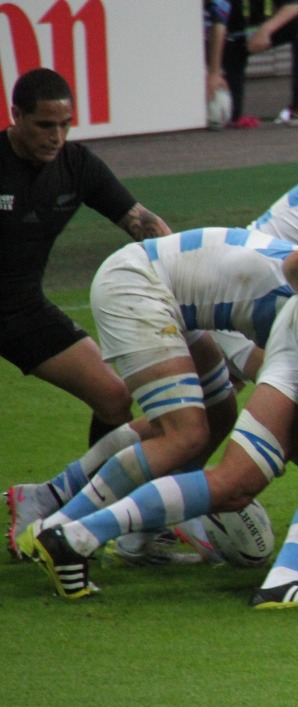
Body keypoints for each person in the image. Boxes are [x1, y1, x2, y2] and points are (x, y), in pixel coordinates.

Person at [16, 227, 298, 596]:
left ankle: (120, 531)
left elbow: (291, 405)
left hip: (164, 290)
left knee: (217, 414)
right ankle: (59, 528)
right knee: (182, 433)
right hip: (139, 285)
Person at [0, 68, 171, 461]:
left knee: (114, 398)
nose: (56, 137)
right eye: (45, 125)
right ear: (16, 115)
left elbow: (140, 221)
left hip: (23, 311)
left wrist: (178, 265)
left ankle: (94, 507)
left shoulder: (77, 167)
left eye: (65, 125)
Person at [204, 1, 298, 128]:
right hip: (225, 41)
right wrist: (214, 72)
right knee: (229, 117)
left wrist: (266, 29)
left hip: (256, 32)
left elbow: (295, 5)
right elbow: (217, 25)